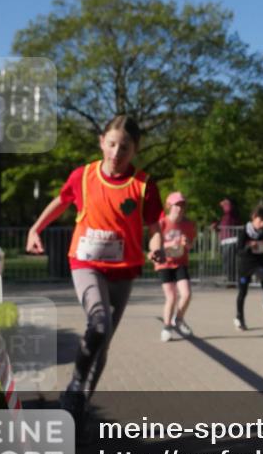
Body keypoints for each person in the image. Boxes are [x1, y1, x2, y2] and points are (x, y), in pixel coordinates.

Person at [25, 115, 162, 428]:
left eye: (124, 147)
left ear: (136, 149)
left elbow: (154, 227)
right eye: (111, 144)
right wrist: (35, 228)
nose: (116, 153)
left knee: (103, 340)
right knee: (99, 323)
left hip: (123, 270)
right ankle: (74, 389)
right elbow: (61, 202)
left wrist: (157, 247)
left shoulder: (144, 185)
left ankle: (79, 406)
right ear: (101, 142)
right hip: (85, 263)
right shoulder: (83, 176)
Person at [149, 191, 197, 342]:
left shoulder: (188, 225)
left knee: (187, 294)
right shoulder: (161, 224)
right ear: (169, 206)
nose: (180, 208)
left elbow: (190, 245)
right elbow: (154, 245)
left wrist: (187, 244)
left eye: (182, 205)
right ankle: (167, 327)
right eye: (177, 205)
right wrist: (168, 244)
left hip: (180, 263)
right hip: (164, 264)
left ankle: (179, 319)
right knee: (171, 297)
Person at [233, 203, 263, 331]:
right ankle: (239, 317)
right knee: (243, 292)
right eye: (260, 220)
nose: (262, 224)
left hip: (259, 264)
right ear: (254, 217)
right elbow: (238, 251)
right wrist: (249, 246)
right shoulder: (244, 231)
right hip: (245, 265)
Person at [212, 198, 240, 286]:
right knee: (227, 262)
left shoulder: (231, 214)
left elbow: (228, 210)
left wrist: (224, 203)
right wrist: (216, 227)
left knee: (230, 262)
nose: (224, 205)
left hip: (231, 240)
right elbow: (222, 228)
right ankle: (230, 280)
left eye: (226, 204)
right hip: (225, 241)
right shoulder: (224, 216)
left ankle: (232, 281)